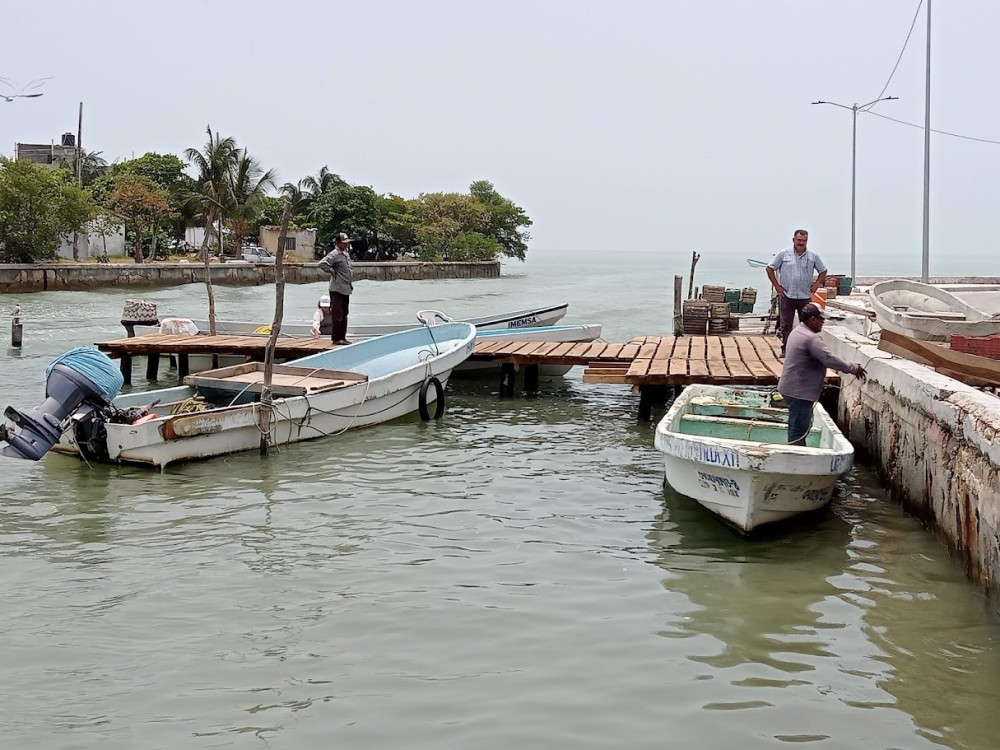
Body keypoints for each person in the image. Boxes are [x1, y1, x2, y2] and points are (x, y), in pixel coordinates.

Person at [777, 303, 866, 446]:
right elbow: (828, 359)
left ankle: (796, 453)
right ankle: (796, 459)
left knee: (796, 425)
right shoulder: (811, 339)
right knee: (798, 430)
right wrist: (852, 368)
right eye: (821, 319)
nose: (823, 322)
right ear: (812, 319)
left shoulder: (796, 332)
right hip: (799, 392)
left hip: (790, 387)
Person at [766, 229, 827, 357]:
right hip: (787, 296)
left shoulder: (813, 256)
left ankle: (805, 350)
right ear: (793, 240)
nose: (801, 243)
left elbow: (823, 271)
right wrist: (777, 286)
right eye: (799, 240)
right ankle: (786, 349)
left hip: (805, 297)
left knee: (806, 325)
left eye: (804, 241)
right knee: (786, 325)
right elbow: (770, 268)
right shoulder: (784, 254)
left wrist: (816, 285)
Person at [317, 232, 354, 344]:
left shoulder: (345, 254)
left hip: (346, 288)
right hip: (337, 288)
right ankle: (337, 339)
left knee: (344, 313)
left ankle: (343, 337)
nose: (346, 245)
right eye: (344, 243)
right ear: (338, 243)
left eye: (347, 243)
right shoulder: (334, 254)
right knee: (337, 314)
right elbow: (322, 263)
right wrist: (331, 270)